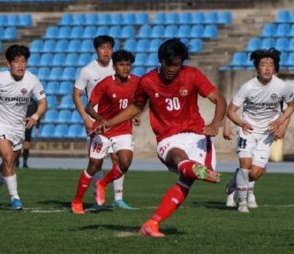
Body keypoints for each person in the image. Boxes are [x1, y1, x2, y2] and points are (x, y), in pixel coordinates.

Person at [96, 38, 226, 237]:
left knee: (185, 182)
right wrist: (110, 122)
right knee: (179, 158)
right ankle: (192, 168)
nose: (173, 69)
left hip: (196, 135)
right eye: (169, 64)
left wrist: (215, 124)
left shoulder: (192, 75)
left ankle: (152, 223)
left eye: (177, 64)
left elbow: (219, 99)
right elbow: (137, 107)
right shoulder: (147, 81)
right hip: (168, 138)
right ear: (161, 60)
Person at [0, 44, 47, 210]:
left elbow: (43, 103)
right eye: (16, 61)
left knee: (9, 163)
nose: (20, 65)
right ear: (8, 64)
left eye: (23, 61)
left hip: (18, 127)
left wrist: (35, 116)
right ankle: (15, 198)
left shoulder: (32, 80)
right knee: (7, 157)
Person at [223, 48, 294, 213]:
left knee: (255, 174)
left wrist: (281, 123)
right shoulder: (248, 87)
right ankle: (242, 203)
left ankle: (235, 183)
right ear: (257, 68)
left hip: (266, 134)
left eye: (271, 64)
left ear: (275, 68)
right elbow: (230, 110)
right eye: (263, 64)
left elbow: (292, 106)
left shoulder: (282, 87)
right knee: (245, 166)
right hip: (248, 130)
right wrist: (239, 124)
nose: (267, 67)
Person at [71, 50, 139, 214]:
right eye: (121, 65)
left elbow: (136, 103)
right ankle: (77, 200)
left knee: (125, 162)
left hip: (123, 130)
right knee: (94, 166)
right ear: (114, 66)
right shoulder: (105, 84)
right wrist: (100, 120)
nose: (125, 68)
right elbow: (89, 107)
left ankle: (103, 184)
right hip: (103, 131)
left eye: (128, 65)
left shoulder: (137, 82)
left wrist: (134, 116)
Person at [15, 99, 40, 168]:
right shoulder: (20, 100)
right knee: (18, 143)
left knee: (26, 143)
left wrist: (37, 126)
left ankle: (25, 162)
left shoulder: (34, 102)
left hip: (29, 125)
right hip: (19, 124)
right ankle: (16, 161)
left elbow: (38, 114)